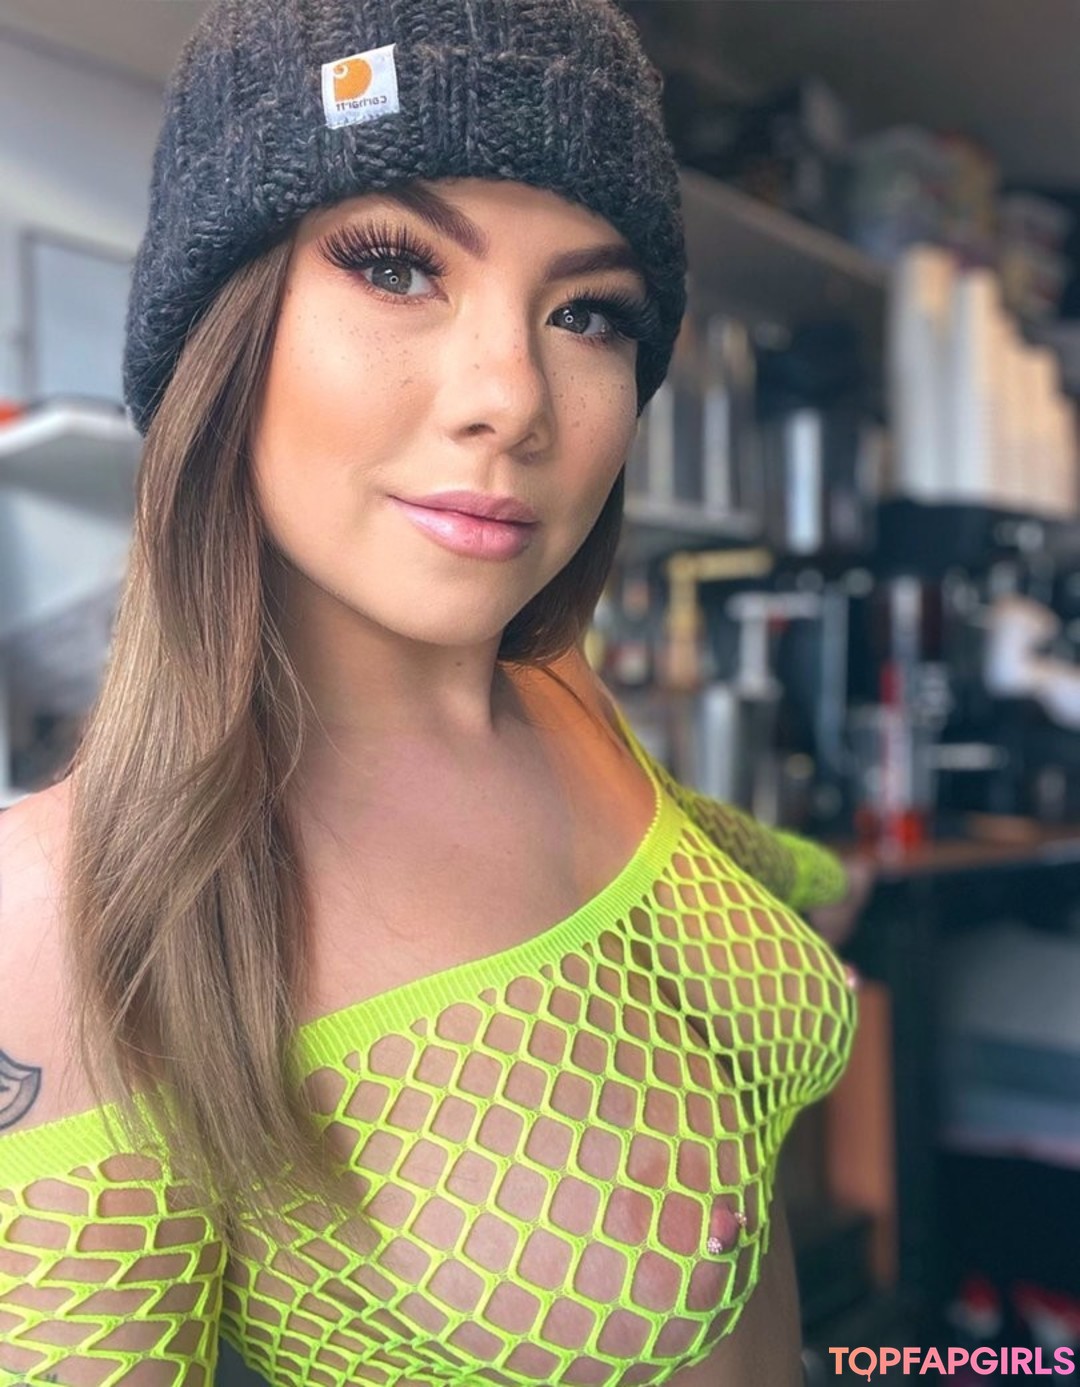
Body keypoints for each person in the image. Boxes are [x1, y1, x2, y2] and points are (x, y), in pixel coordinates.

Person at [0, 0, 862, 1383]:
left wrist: (819, 883)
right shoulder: (67, 921)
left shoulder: (559, 692)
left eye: (588, 313)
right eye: (398, 268)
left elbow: (700, 880)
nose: (513, 397)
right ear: (221, 336)